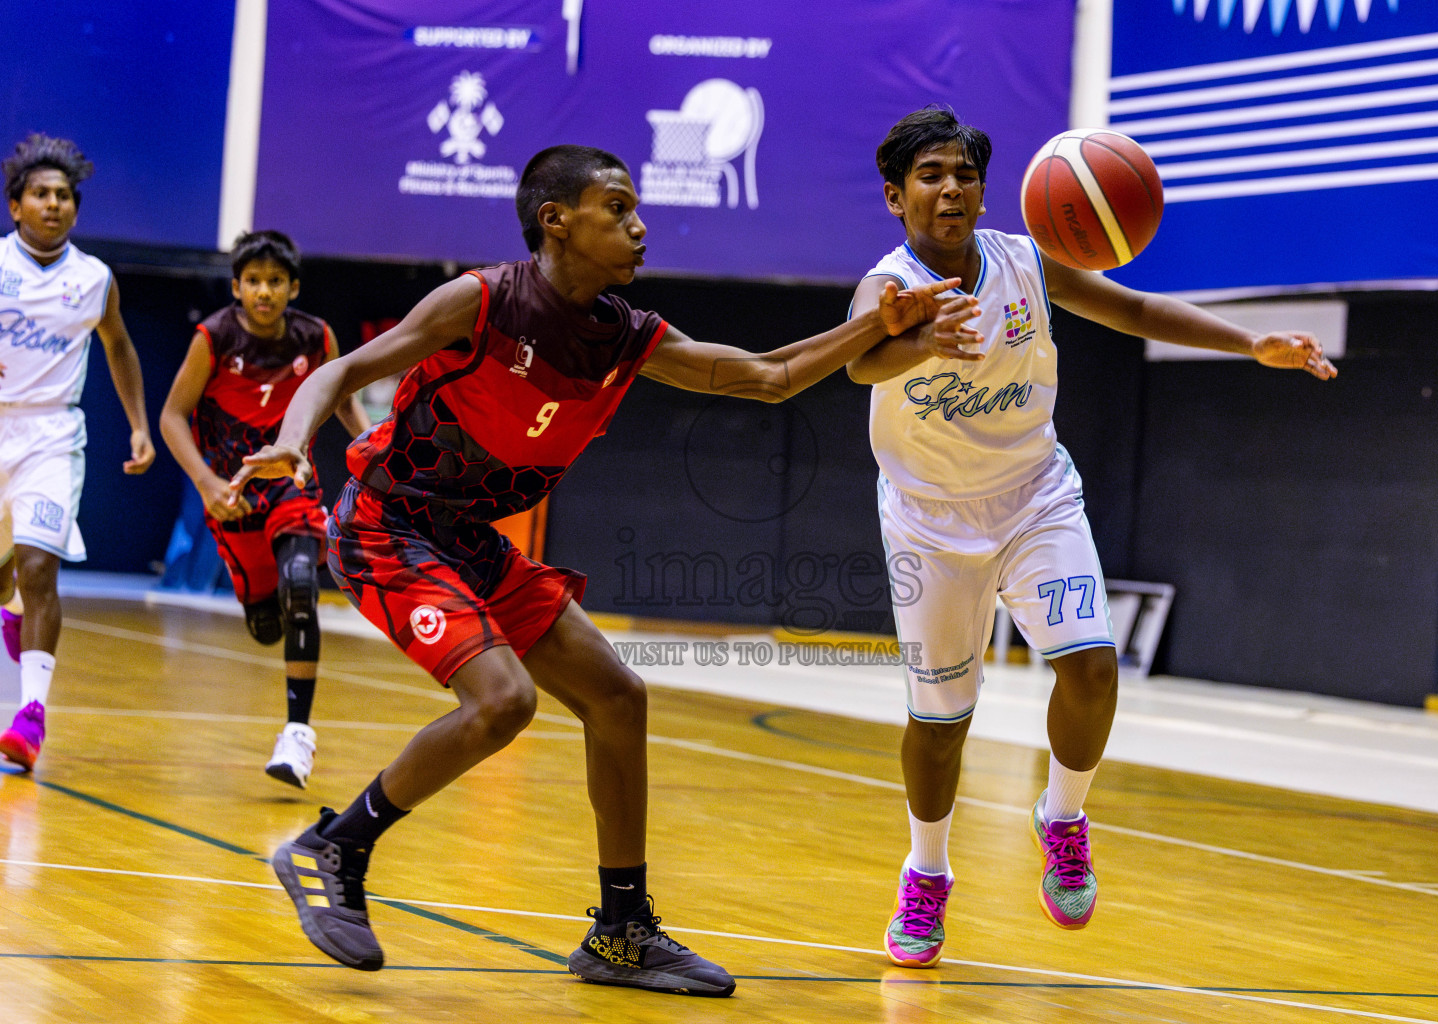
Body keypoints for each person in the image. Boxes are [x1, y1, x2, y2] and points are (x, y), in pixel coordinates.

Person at [230, 144, 977, 994]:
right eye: (617, 208)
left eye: (635, 209)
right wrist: (291, 443)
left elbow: (768, 377)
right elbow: (343, 368)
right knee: (504, 700)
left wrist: (882, 325)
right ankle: (334, 848)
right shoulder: (482, 301)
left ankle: (621, 931)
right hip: (389, 527)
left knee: (618, 698)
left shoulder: (626, 334)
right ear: (556, 221)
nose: (638, 224)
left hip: (470, 541)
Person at [848, 107, 1337, 968]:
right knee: (940, 722)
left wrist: (1250, 341)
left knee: (1093, 666)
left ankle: (1062, 816)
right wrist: (917, 336)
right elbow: (862, 364)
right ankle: (926, 876)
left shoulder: (1026, 262)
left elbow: (1138, 306)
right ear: (896, 197)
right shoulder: (885, 288)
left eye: (963, 173)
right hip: (929, 524)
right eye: (930, 174)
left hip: (1035, 498)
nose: (951, 187)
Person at [159, 230, 369, 787]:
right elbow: (173, 416)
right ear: (236, 287)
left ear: (293, 287)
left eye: (276, 281)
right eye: (253, 280)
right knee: (266, 625)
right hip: (232, 496)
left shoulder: (314, 336)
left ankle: (297, 735)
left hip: (292, 485)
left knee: (302, 583)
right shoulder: (214, 338)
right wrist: (206, 484)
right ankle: (261, 603)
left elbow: (343, 397)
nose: (264, 291)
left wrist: (374, 449)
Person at [0, 134, 156, 770]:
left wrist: (138, 425)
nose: (54, 204)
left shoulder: (93, 278)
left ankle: (31, 715)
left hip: (52, 434)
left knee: (39, 566)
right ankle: (13, 617)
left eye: (64, 196)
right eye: (41, 194)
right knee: (7, 579)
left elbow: (118, 347)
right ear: (16, 206)